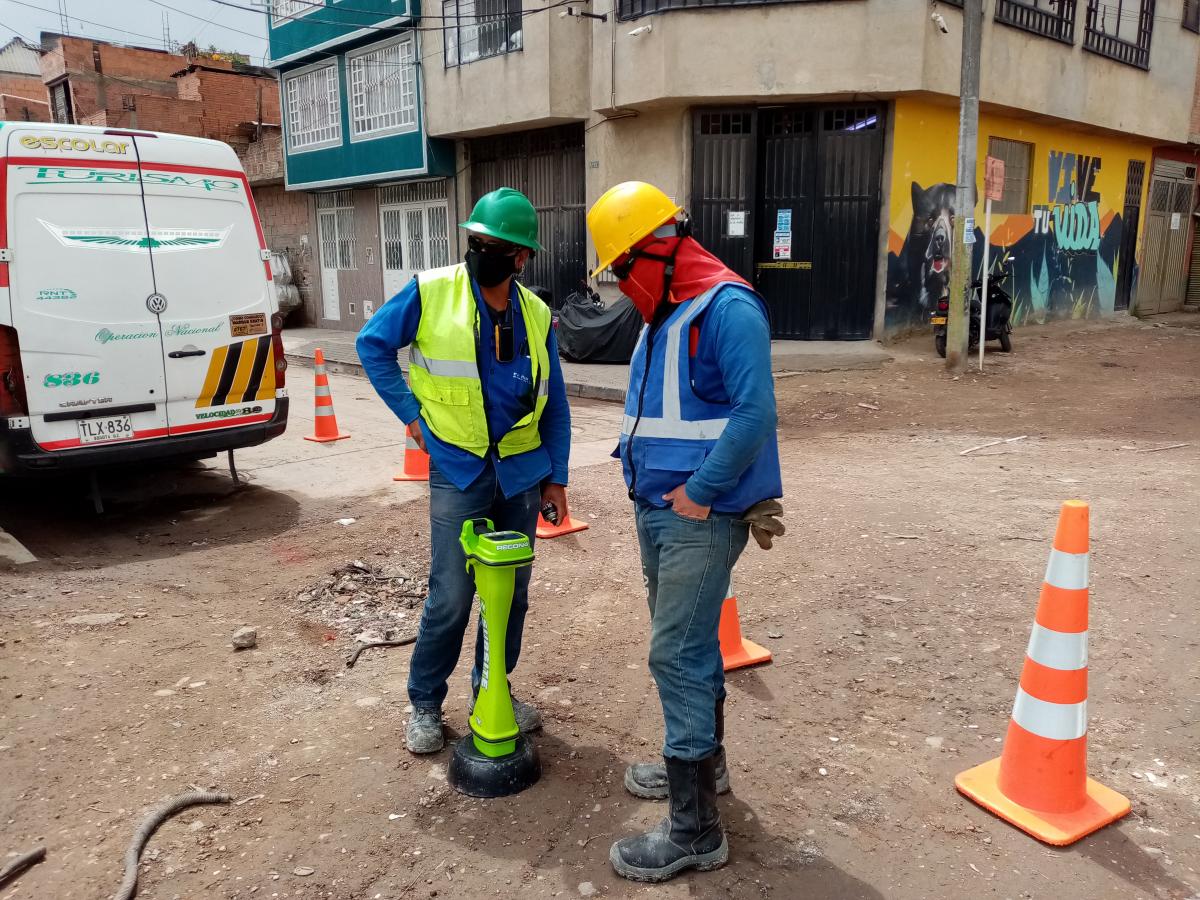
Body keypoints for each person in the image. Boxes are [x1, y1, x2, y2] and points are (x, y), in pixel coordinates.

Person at [585, 182, 783, 882]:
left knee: (675, 653)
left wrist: (700, 495)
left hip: (695, 517)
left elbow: (756, 414)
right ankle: (708, 768)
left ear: (659, 251)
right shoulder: (668, 311)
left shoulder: (726, 309)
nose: (620, 287)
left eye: (621, 270)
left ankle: (695, 829)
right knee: (690, 649)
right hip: (658, 511)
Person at [357, 187, 571, 755]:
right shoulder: (431, 292)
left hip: (522, 472)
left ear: (521, 257)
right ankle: (425, 705)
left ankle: (491, 689)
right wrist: (412, 418)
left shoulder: (537, 313)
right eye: (475, 242)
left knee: (512, 594)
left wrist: (557, 478)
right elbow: (372, 345)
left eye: (494, 246)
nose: (480, 252)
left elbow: (556, 402)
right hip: (458, 466)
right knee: (452, 594)